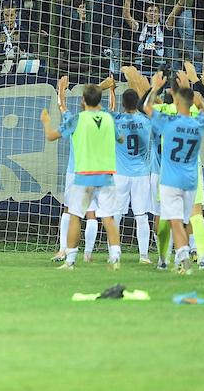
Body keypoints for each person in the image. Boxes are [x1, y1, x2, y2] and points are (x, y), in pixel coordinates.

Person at [40, 76, 122, 271]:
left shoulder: (77, 119)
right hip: (106, 175)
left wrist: (45, 122)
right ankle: (115, 257)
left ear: (83, 101)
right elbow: (120, 139)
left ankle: (70, 260)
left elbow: (52, 136)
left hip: (84, 175)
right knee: (108, 217)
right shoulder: (109, 119)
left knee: (75, 215)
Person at [145, 72, 204, 275]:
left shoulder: (168, 122)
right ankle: (190, 255)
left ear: (175, 99)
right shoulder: (200, 123)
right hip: (191, 180)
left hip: (170, 178)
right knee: (186, 219)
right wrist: (200, 99)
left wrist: (154, 87)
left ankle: (180, 256)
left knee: (171, 220)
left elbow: (146, 108)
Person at [106, 85, 154, 263]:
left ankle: (114, 254)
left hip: (120, 174)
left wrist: (111, 90)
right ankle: (144, 256)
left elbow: (110, 110)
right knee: (141, 216)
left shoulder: (116, 119)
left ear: (123, 104)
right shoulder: (147, 121)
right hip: (141, 174)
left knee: (116, 214)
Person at [121, 0, 184, 73]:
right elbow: (126, 16)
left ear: (159, 14)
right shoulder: (139, 27)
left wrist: (181, 0)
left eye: (155, 11)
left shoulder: (164, 27)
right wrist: (128, 0)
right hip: (141, 66)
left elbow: (173, 13)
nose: (153, 13)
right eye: (150, 11)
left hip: (160, 68)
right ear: (145, 14)